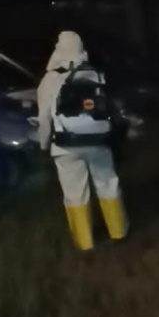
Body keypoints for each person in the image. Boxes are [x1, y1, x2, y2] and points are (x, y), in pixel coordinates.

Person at [37, 31, 127, 251]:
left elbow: (44, 118)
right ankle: (119, 233)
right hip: (98, 141)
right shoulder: (95, 75)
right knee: (108, 184)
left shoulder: (50, 80)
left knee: (75, 194)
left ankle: (85, 243)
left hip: (65, 145)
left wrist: (44, 144)